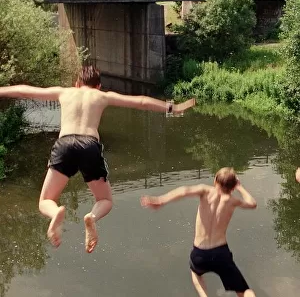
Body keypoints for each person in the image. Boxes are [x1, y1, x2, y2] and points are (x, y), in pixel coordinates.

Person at [0, 65, 195, 253]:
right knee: (104, 200)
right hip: (89, 145)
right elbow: (141, 101)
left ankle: (55, 213)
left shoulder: (64, 92)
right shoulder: (102, 96)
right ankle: (92, 217)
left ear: (77, 83)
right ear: (98, 86)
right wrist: (172, 107)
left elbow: (25, 90)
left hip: (64, 144)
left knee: (46, 199)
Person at [141, 167, 257, 297]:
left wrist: (160, 200)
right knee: (244, 291)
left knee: (195, 273)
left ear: (215, 181)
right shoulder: (233, 201)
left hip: (200, 253)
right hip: (221, 253)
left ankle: (204, 295)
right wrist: (240, 187)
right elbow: (252, 204)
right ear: (233, 186)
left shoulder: (205, 191)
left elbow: (184, 190)